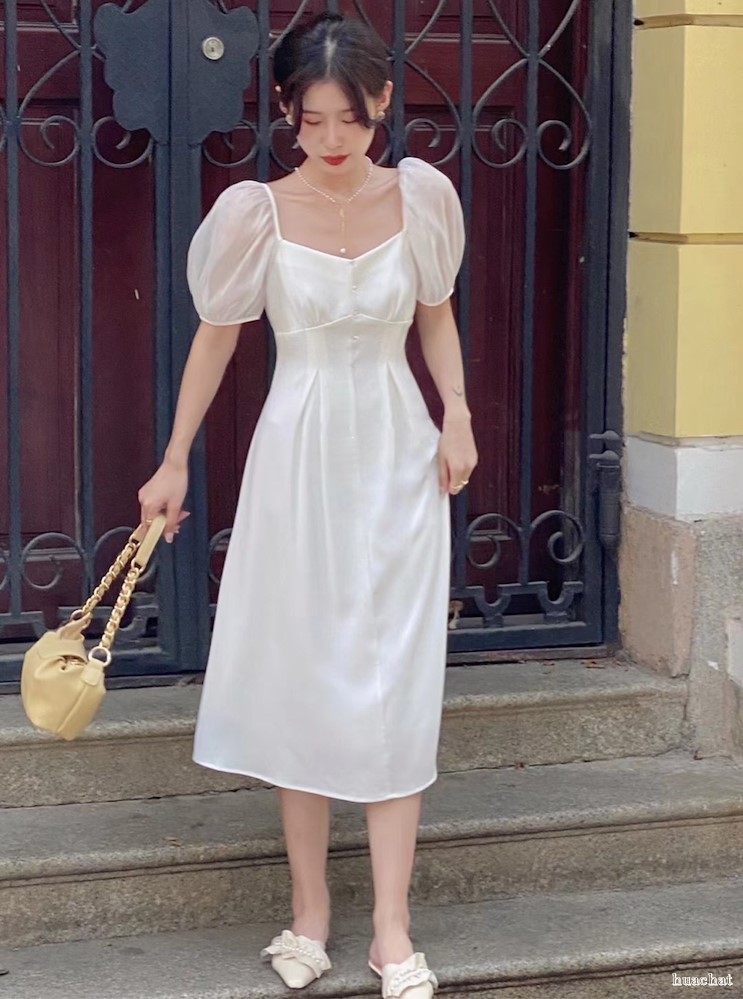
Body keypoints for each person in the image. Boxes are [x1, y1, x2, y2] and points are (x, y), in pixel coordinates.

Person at [137, 12, 477, 999]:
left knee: (394, 684)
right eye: (310, 118)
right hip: (296, 461)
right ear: (286, 111)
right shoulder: (255, 212)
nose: (330, 139)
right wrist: (173, 458)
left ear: (381, 105)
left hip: (399, 457)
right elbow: (215, 339)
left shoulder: (421, 199)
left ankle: (392, 928)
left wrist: (457, 412)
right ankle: (309, 912)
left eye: (349, 119)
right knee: (301, 677)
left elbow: (435, 316)